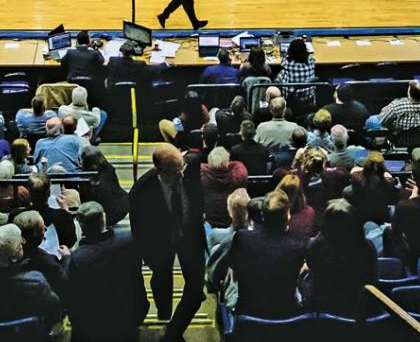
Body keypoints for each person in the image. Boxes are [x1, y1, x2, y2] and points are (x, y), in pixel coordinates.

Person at [130, 144, 205, 338]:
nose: (181, 175)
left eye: (182, 168)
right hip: (161, 242)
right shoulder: (141, 191)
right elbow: (138, 228)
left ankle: (172, 332)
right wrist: (146, 254)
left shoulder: (191, 165)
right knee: (162, 278)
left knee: (196, 291)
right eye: (175, 172)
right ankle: (165, 314)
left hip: (191, 236)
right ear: (159, 170)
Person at [212, 189, 307, 319]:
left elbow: (231, 273)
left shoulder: (242, 238)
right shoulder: (299, 244)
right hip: (286, 320)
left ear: (263, 216)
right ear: (287, 216)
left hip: (248, 319)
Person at [62, 201, 146, 342]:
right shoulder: (129, 239)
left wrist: (67, 260)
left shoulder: (77, 259)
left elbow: (70, 295)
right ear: (104, 217)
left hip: (93, 324)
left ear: (81, 226)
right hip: (129, 314)